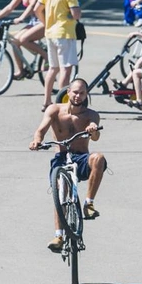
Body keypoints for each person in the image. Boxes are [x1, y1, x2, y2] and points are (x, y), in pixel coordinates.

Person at [29, 79, 107, 252]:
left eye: (82, 93)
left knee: (99, 158)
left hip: (81, 158)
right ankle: (59, 236)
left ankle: (89, 204)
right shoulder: (54, 110)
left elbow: (95, 137)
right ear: (68, 91)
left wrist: (93, 130)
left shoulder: (90, 115)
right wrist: (37, 140)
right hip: (61, 158)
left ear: (86, 95)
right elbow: (41, 130)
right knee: (61, 191)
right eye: (75, 92)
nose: (78, 96)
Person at [34, 0, 81, 112]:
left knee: (53, 68)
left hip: (51, 33)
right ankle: (62, 101)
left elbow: (37, 9)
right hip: (65, 33)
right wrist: (78, 12)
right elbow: (75, 14)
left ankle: (46, 101)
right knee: (66, 69)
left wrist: (46, 22)